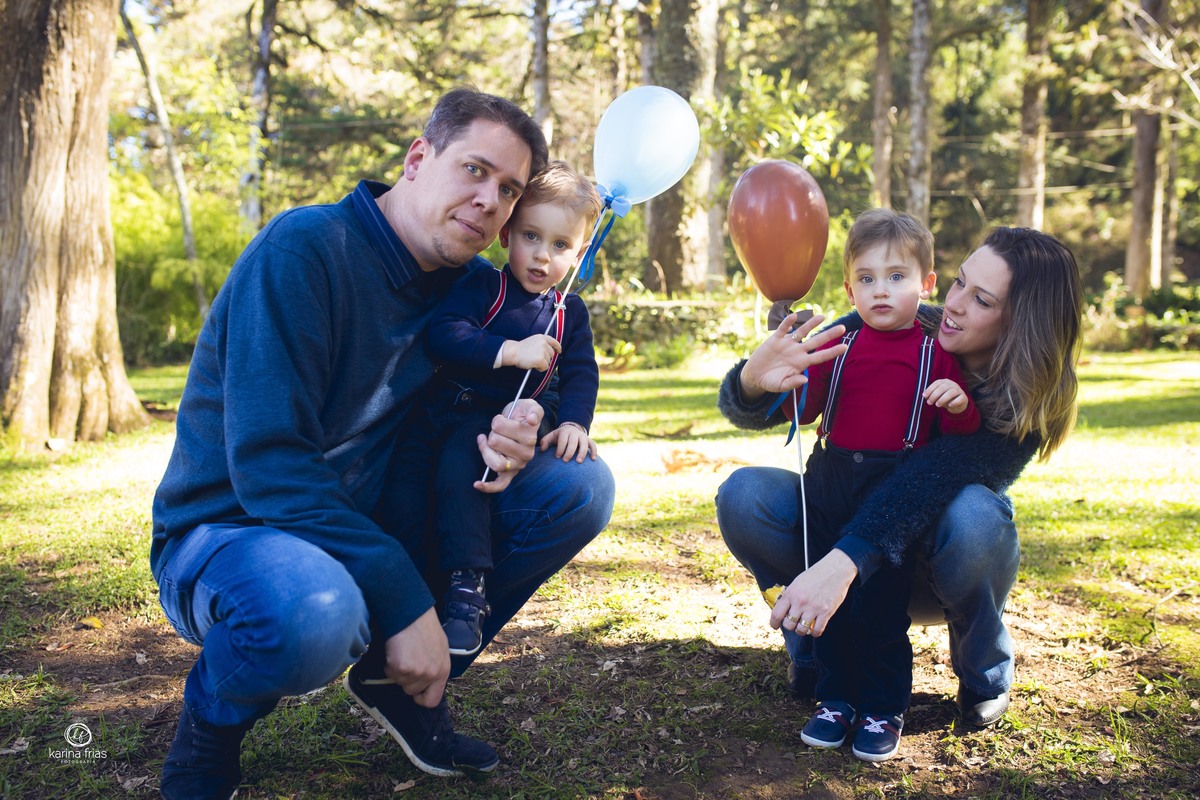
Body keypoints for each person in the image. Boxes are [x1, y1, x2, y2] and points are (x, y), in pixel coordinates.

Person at [150, 88, 616, 800]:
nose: (490, 200)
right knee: (312, 611)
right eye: (474, 170)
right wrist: (402, 599)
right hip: (236, 530)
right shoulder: (305, 251)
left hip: (376, 515)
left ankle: (398, 685)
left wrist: (518, 430)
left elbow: (510, 386)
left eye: (508, 189)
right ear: (418, 157)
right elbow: (271, 468)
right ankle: (208, 733)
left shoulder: (471, 284)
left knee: (577, 488)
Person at [716, 226, 1082, 735]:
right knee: (745, 494)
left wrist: (842, 562)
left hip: (929, 569)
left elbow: (924, 483)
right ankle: (811, 648)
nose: (953, 304)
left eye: (981, 299)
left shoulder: (1022, 397)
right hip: (847, 526)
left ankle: (983, 670)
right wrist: (752, 383)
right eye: (959, 282)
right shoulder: (902, 321)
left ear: (1022, 323)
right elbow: (794, 392)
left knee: (976, 513)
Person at [766, 210, 980, 762]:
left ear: (926, 284)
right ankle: (835, 697)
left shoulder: (939, 355)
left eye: (897, 277)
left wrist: (958, 405)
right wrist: (792, 376)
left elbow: (961, 439)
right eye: (866, 279)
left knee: (881, 604)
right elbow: (805, 405)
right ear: (849, 287)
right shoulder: (839, 345)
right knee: (829, 598)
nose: (880, 290)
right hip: (831, 474)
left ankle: (885, 706)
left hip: (893, 487)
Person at [386, 161, 602, 658]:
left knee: (467, 481)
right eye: (531, 236)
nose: (542, 256)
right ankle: (403, 599)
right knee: (404, 493)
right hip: (436, 411)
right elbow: (446, 333)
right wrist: (510, 350)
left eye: (560, 245)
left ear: (580, 252)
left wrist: (572, 421)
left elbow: (581, 374)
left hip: (486, 424)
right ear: (506, 234)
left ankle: (466, 591)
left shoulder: (570, 314)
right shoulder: (483, 286)